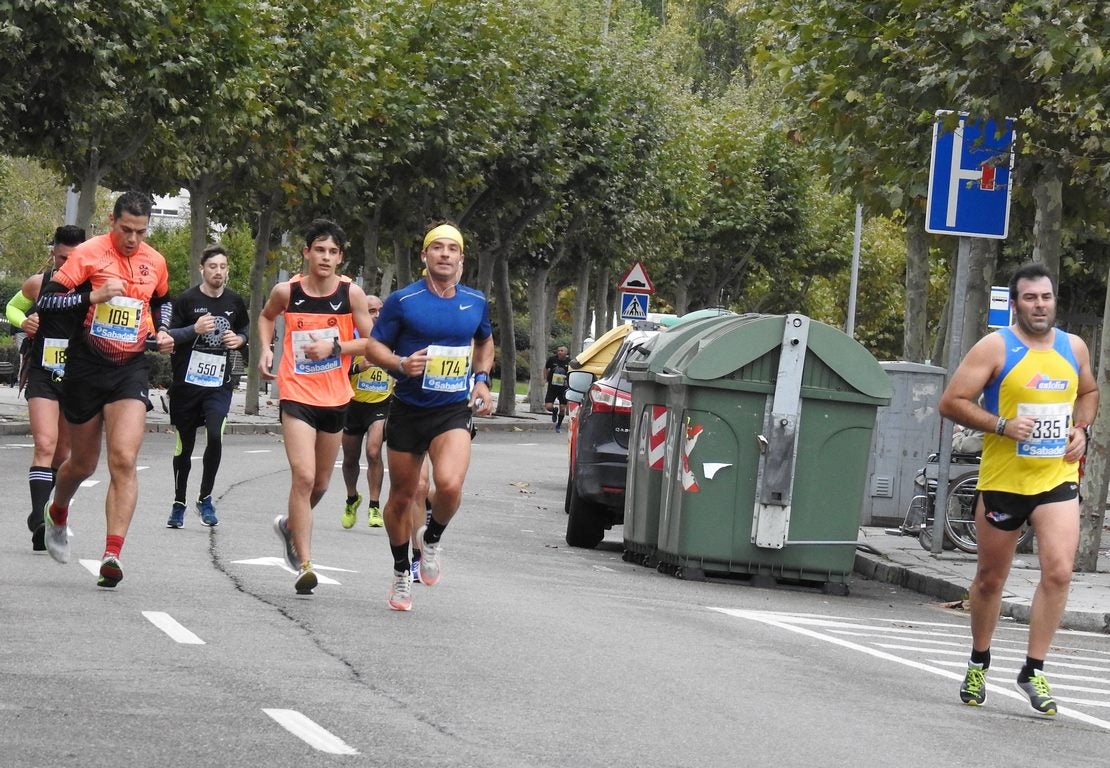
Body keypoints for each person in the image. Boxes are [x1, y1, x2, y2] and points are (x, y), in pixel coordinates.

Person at [938, 262, 1098, 716]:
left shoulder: (1073, 347)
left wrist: (1082, 428)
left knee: (1060, 571)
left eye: (1045, 297)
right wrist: (1003, 425)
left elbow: (1088, 391)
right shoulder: (996, 347)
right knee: (990, 580)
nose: (1039, 305)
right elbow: (951, 402)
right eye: (1030, 298)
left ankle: (1033, 668)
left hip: (1056, 479)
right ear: (1016, 304)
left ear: (1054, 301)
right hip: (1005, 481)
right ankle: (978, 660)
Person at [35, 192, 171, 588]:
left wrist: (161, 330)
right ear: (112, 220)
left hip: (129, 367)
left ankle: (112, 553)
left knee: (124, 459)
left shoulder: (155, 260)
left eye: (140, 231)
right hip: (87, 363)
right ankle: (57, 511)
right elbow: (48, 301)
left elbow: (163, 300)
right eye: (126, 229)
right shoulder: (88, 254)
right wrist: (91, 296)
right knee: (82, 464)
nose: (132, 238)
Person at [361, 222, 494, 611]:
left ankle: (431, 539)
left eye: (453, 249)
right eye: (438, 248)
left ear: (461, 260)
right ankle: (402, 571)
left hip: (452, 409)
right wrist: (401, 363)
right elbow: (373, 347)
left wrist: (482, 381)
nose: (446, 254)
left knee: (449, 485)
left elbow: (485, 341)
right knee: (402, 498)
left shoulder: (475, 302)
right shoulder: (404, 300)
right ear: (425, 256)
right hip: (408, 409)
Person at [257, 219, 372, 595]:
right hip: (296, 393)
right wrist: (266, 347)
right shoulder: (286, 292)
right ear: (306, 252)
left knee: (321, 483)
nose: (325, 257)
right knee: (303, 477)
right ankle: (305, 563)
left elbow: (372, 343)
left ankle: (291, 525)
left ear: (340, 257)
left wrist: (335, 347)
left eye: (332, 252)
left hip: (336, 397)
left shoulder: (350, 295)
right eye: (319, 250)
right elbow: (265, 316)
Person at [5, 225, 86, 552]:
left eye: (75, 258)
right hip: (43, 371)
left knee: (64, 454)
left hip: (77, 375)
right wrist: (24, 321)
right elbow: (11, 307)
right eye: (63, 257)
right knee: (45, 443)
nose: (68, 264)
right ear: (53, 252)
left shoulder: (90, 287)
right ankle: (40, 521)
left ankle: (46, 509)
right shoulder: (38, 284)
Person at [157, 244, 249, 528]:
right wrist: (194, 330)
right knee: (184, 447)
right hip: (186, 383)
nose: (218, 272)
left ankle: (205, 498)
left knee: (215, 435)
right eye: (213, 267)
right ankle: (179, 502)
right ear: (202, 269)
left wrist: (240, 340)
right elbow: (167, 335)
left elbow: (244, 329)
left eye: (222, 267)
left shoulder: (235, 301)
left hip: (218, 385)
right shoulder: (186, 300)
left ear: (227, 270)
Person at [340, 294, 390, 529]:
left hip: (380, 404)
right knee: (350, 458)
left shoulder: (392, 337)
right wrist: (358, 367)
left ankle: (374, 505)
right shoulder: (353, 337)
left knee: (373, 452)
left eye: (379, 310)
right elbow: (336, 369)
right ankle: (352, 498)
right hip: (353, 404)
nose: (376, 315)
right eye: (371, 311)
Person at [544, 344, 570, 432]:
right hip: (552, 386)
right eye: (558, 350)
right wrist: (545, 378)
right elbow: (546, 368)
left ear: (566, 353)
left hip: (563, 388)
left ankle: (558, 426)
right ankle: (554, 411)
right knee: (548, 406)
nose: (559, 352)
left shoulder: (569, 362)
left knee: (562, 408)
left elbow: (572, 373)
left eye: (561, 351)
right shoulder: (552, 359)